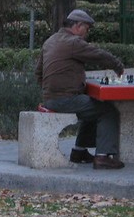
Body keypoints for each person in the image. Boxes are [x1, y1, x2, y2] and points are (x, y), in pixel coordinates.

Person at [35, 9, 126, 170]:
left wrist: (50, 90)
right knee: (108, 110)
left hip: (51, 98)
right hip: (64, 99)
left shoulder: (50, 40)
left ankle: (79, 151)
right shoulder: (73, 42)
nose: (87, 33)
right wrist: (117, 66)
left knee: (92, 106)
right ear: (78, 25)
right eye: (87, 28)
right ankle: (103, 157)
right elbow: (98, 55)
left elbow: (38, 72)